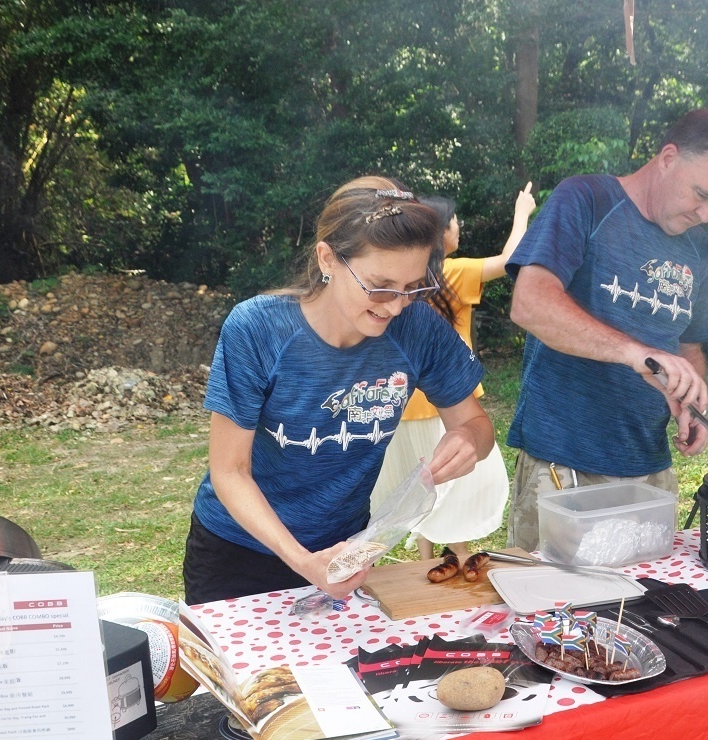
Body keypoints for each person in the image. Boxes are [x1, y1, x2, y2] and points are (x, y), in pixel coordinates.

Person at [183, 176, 495, 605]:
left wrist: (467, 440)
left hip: (346, 550)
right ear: (328, 258)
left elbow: (477, 424)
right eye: (379, 285)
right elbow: (229, 471)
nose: (395, 305)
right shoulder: (258, 329)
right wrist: (303, 561)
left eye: (412, 287)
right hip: (238, 551)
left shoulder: (417, 329)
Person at [504, 109, 708, 551]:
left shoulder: (697, 245)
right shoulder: (586, 200)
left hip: (651, 472)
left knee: (646, 612)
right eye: (701, 194)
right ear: (668, 157)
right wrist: (634, 353)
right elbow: (530, 303)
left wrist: (688, 401)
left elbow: (688, 343)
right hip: (565, 467)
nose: (706, 213)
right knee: (554, 611)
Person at [370, 184, 537, 562]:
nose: (458, 226)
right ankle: (459, 558)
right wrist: (521, 212)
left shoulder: (412, 282)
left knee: (420, 484)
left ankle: (429, 561)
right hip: (448, 406)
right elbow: (513, 257)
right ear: (440, 231)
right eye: (454, 221)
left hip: (402, 405)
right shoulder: (455, 272)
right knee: (455, 484)